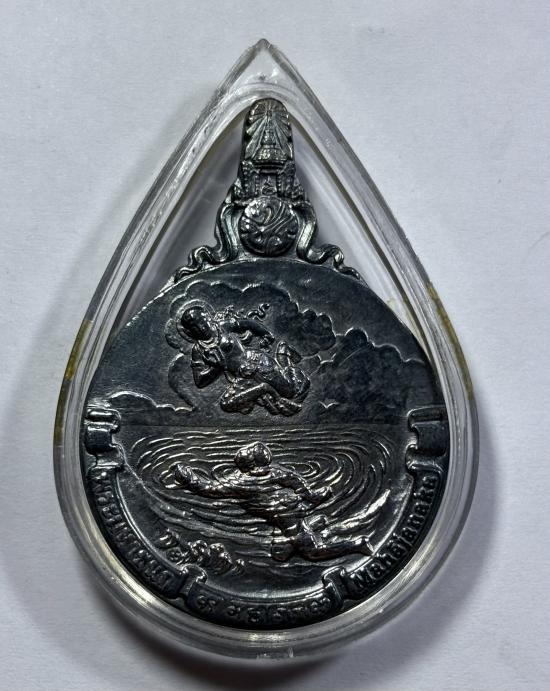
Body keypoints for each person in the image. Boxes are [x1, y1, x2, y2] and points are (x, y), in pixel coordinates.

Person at [173, 442, 373, 562]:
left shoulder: (239, 482)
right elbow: (294, 478)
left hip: (287, 517)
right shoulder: (273, 472)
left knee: (313, 553)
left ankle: (356, 544)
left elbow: (210, 490)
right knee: (280, 554)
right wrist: (308, 493)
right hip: (287, 511)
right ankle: (315, 520)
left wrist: (188, 479)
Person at [177, 302, 310, 416]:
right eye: (194, 327)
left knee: (289, 390)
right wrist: (216, 367)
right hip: (242, 378)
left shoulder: (223, 327)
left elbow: (247, 323)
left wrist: (266, 334)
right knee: (226, 404)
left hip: (257, 362)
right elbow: (200, 381)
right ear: (189, 331)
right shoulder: (198, 350)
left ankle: (284, 354)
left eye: (202, 321)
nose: (200, 328)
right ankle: (264, 389)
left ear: (208, 317)